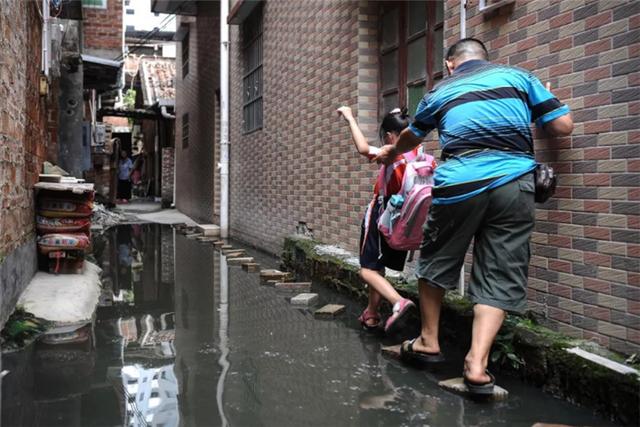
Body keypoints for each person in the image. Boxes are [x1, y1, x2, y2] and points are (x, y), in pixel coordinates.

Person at [374, 38, 573, 394]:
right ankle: (477, 365)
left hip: (460, 183)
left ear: (450, 64)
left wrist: (391, 152)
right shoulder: (520, 79)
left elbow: (411, 136)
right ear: (485, 58)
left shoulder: (440, 91)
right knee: (502, 267)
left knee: (437, 258)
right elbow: (562, 126)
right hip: (514, 181)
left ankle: (429, 341)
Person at [336, 106, 418, 334]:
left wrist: (350, 117)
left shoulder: (393, 151)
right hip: (405, 217)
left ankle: (398, 302)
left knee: (367, 270)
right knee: (377, 266)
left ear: (390, 136)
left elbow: (363, 148)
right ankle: (372, 314)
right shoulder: (418, 152)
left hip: (383, 213)